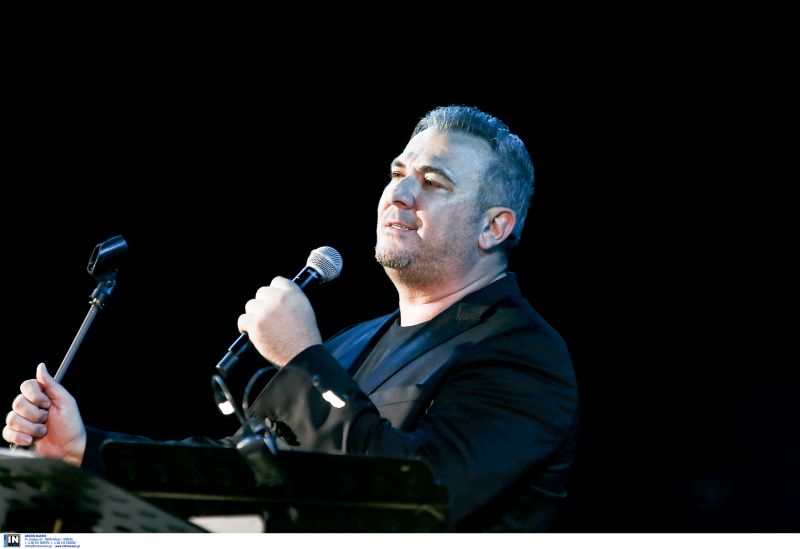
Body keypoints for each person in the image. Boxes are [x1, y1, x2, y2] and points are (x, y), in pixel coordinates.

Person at [4, 105, 579, 532]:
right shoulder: (352, 344)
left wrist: (304, 361)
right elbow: (238, 474)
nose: (399, 194)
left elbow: (423, 500)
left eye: (433, 182)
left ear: (493, 227)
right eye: (397, 172)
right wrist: (85, 450)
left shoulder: (523, 356)